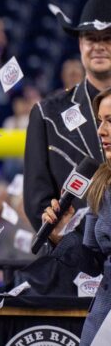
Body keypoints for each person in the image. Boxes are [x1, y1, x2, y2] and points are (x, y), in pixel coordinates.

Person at [21, 0, 111, 293]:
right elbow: (37, 201)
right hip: (69, 270)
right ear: (79, 44)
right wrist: (77, 245)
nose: (98, 45)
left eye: (108, 37)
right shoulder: (47, 114)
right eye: (90, 37)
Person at [46, 87, 111, 345]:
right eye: (100, 121)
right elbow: (93, 262)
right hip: (104, 315)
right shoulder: (102, 184)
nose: (101, 130)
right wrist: (60, 236)